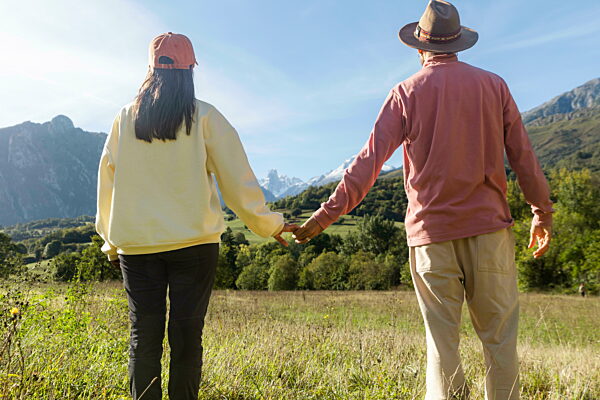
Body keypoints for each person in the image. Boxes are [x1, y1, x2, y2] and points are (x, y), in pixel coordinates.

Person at [293, 1, 553, 399]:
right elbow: (523, 157)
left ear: (419, 48)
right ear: (460, 44)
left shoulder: (405, 93)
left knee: (442, 345)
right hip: (489, 233)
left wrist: (322, 218)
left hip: (431, 237)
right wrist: (542, 212)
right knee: (500, 342)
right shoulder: (494, 85)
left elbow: (368, 164)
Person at [95, 32, 297, 400]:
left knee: (144, 336)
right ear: (190, 70)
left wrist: (111, 242)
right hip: (195, 245)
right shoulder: (205, 116)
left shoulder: (124, 119)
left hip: (137, 248)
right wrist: (270, 225)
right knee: (187, 336)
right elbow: (238, 183)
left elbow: (107, 182)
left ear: (151, 69)